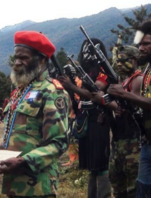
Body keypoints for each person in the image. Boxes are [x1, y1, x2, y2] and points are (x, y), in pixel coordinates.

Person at [0, 31, 71, 197]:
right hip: (15, 184)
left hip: (37, 186)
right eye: (16, 58)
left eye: (24, 58)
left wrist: (24, 161)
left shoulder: (51, 92)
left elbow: (58, 143)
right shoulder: (20, 92)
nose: (17, 63)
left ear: (42, 60)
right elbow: (12, 138)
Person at [59, 38, 112, 198]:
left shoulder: (104, 71)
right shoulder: (84, 72)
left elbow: (95, 94)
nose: (87, 53)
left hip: (99, 119)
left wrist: (71, 86)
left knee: (100, 163)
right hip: (85, 120)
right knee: (92, 165)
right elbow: (79, 98)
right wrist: (70, 88)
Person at [107, 19, 151, 197]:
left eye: (146, 44)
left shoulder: (140, 76)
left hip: (138, 143)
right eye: (140, 44)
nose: (141, 48)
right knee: (141, 191)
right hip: (147, 143)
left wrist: (124, 95)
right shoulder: (148, 71)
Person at [107, 45, 143, 198]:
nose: (119, 65)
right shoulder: (122, 80)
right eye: (118, 62)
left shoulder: (138, 80)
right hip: (119, 139)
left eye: (123, 61)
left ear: (134, 60)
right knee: (117, 183)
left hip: (133, 140)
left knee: (133, 188)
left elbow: (133, 106)